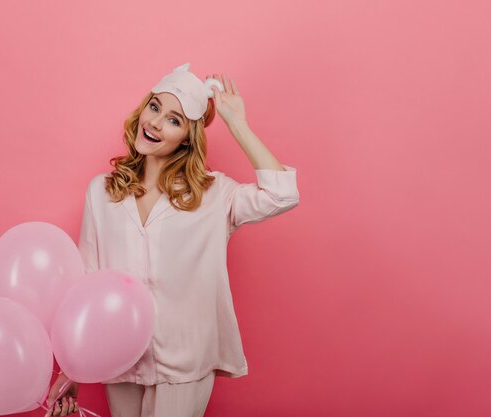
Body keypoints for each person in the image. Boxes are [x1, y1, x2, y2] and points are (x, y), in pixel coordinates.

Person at [45, 63, 300, 417]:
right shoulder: (102, 192)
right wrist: (72, 370)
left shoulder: (213, 195)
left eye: (174, 120)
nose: (155, 123)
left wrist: (237, 123)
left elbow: (282, 194)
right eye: (154, 108)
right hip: (119, 355)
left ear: (186, 139)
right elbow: (88, 281)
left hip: (185, 359)